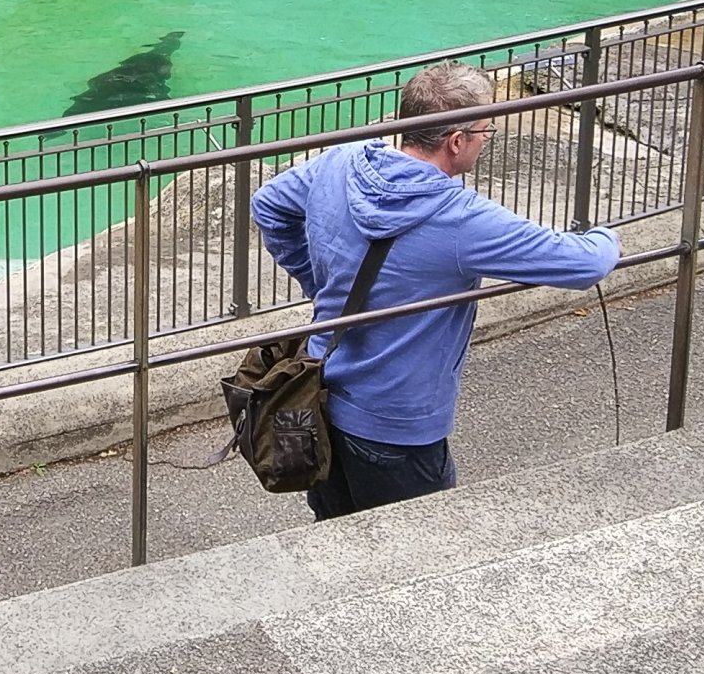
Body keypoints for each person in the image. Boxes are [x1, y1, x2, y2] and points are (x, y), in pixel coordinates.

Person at [253, 61, 617, 518]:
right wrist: (607, 234)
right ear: (457, 141)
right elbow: (585, 263)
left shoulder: (339, 161)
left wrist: (321, 285)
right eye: (486, 130)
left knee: (337, 539)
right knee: (420, 548)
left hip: (319, 400)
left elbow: (268, 205)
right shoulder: (462, 219)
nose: (487, 139)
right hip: (399, 425)